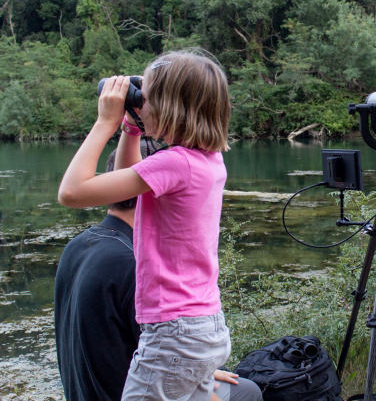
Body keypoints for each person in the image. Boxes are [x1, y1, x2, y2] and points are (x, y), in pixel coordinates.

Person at [58, 50, 233, 400]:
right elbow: (128, 179)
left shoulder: (173, 164)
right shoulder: (206, 161)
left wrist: (104, 122)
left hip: (172, 333)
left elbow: (72, 192)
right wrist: (131, 128)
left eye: (146, 96)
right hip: (202, 325)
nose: (140, 101)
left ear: (170, 106)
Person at [55, 144, 262, 401]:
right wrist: (202, 379)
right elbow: (161, 360)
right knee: (248, 392)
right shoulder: (138, 265)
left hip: (88, 391)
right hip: (130, 391)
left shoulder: (78, 246)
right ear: (159, 189)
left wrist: (203, 372)